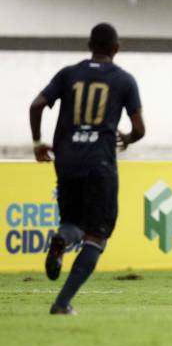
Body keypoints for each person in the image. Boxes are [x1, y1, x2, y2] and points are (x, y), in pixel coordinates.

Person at [29, 23, 145, 315]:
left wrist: (37, 142)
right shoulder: (124, 80)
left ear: (89, 44)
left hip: (66, 161)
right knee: (97, 235)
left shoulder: (68, 74)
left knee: (72, 223)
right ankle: (62, 302)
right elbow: (139, 128)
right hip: (100, 164)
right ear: (116, 49)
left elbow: (37, 105)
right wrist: (128, 139)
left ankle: (61, 241)